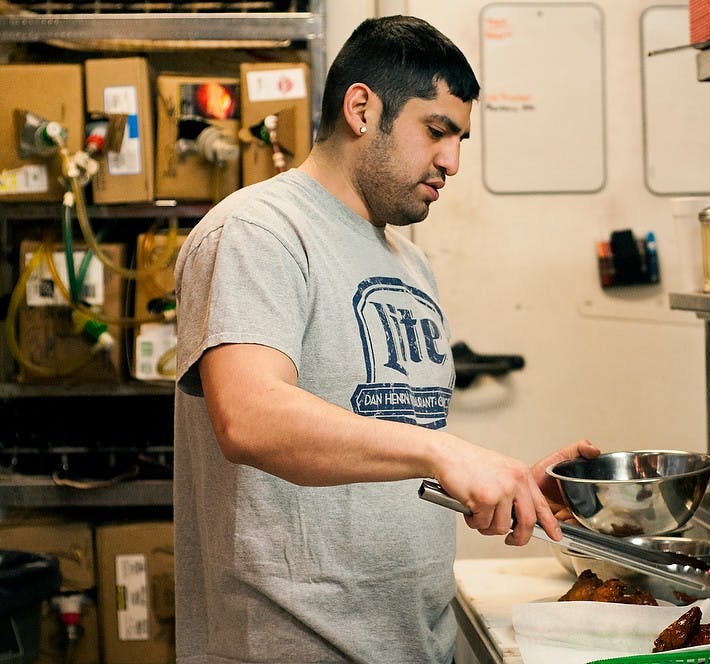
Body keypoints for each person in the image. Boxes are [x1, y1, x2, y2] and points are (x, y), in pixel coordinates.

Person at [172, 14, 600, 663]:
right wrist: (446, 453)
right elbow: (250, 416)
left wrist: (498, 484)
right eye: (437, 131)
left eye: (461, 138)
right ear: (363, 108)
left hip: (418, 644)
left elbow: (381, 449)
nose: (452, 161)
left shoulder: (408, 262)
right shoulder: (257, 233)